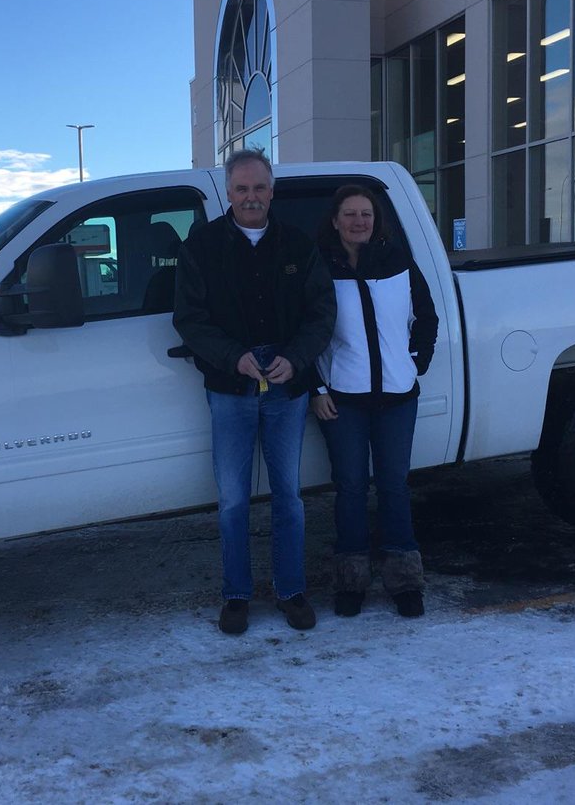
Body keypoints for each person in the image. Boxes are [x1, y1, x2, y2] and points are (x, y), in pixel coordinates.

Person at [173, 148, 336, 635]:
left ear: (272, 190)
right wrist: (232, 357)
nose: (251, 197)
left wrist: (298, 358)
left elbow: (321, 313)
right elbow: (189, 319)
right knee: (233, 500)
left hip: (288, 389)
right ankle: (237, 595)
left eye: (259, 187)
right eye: (241, 188)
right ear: (228, 191)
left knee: (289, 495)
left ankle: (291, 590)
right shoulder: (200, 247)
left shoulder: (297, 246)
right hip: (230, 387)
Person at [311, 184, 438, 618]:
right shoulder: (320, 268)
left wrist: (418, 358)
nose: (358, 221)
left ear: (375, 219)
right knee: (349, 489)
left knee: (394, 486)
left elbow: (426, 314)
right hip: (343, 400)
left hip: (398, 397)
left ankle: (404, 581)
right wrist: (317, 388)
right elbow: (305, 332)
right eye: (350, 214)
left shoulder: (398, 261)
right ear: (335, 220)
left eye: (366, 213)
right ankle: (351, 581)